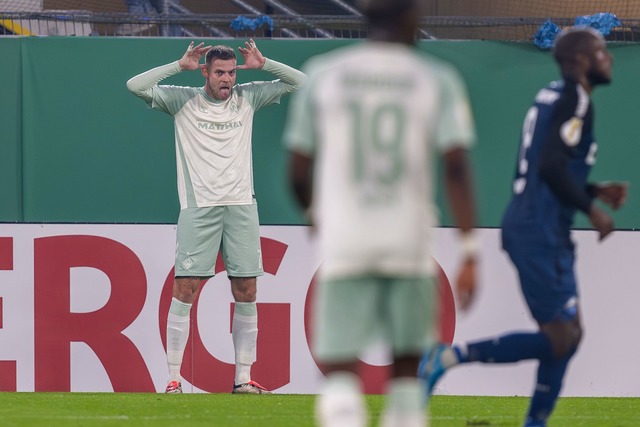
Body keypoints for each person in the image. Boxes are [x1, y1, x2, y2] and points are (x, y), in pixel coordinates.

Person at [283, 0, 479, 425]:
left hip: (347, 240)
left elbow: (298, 171)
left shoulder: (323, 73)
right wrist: (469, 247)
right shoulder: (435, 78)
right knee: (406, 374)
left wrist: (315, 214)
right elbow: (457, 167)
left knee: (338, 370)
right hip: (407, 241)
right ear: (411, 19)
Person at [420, 27, 628, 427]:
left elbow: (545, 168)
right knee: (561, 337)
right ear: (582, 60)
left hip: (538, 223)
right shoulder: (575, 99)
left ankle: (533, 421)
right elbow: (551, 166)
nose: (610, 58)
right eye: (602, 51)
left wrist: (594, 190)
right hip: (539, 230)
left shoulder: (552, 95)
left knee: (568, 336)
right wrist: (592, 208)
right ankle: (449, 357)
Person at [126, 39, 306, 394]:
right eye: (220, 72)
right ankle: (173, 379)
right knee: (186, 288)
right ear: (205, 72)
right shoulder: (182, 100)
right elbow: (135, 85)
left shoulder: (248, 97)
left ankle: (242, 379)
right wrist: (179, 66)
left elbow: (302, 83)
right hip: (199, 208)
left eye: (232, 72)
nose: (227, 79)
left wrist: (264, 62)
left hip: (241, 207)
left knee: (247, 289)